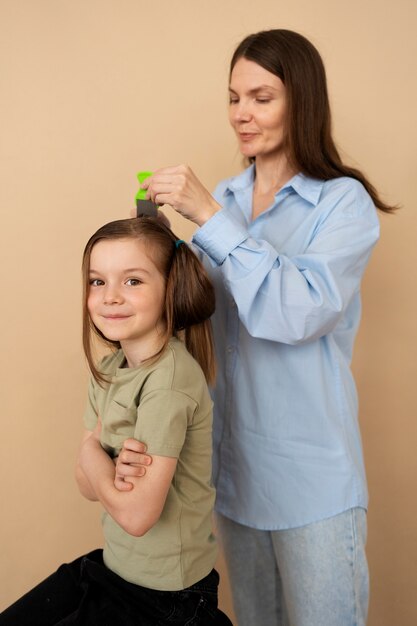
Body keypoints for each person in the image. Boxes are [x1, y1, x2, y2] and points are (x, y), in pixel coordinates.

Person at [116, 29, 397, 626]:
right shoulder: (227, 197)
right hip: (232, 474)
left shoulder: (342, 204)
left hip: (312, 483)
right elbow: (198, 320)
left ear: (304, 102)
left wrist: (211, 221)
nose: (241, 114)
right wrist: (148, 259)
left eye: (261, 98)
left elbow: (297, 313)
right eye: (233, 97)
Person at [0, 217, 233, 625]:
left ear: (170, 289)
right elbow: (86, 486)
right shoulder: (110, 367)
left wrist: (93, 452)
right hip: (116, 568)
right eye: (97, 282)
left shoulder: (169, 382)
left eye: (132, 281)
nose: (110, 297)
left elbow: (136, 516)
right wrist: (106, 470)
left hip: (166, 597)